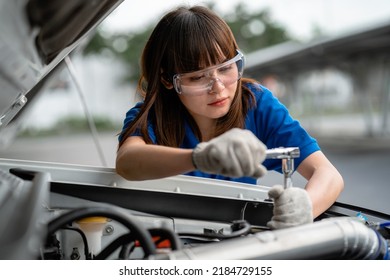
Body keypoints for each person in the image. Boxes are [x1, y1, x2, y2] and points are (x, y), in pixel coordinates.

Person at [116, 5, 344, 229]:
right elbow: (127, 161)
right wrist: (200, 158)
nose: (218, 88)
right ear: (168, 80)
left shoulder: (255, 103)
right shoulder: (151, 115)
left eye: (225, 68)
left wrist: (304, 209)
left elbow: (328, 174)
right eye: (197, 77)